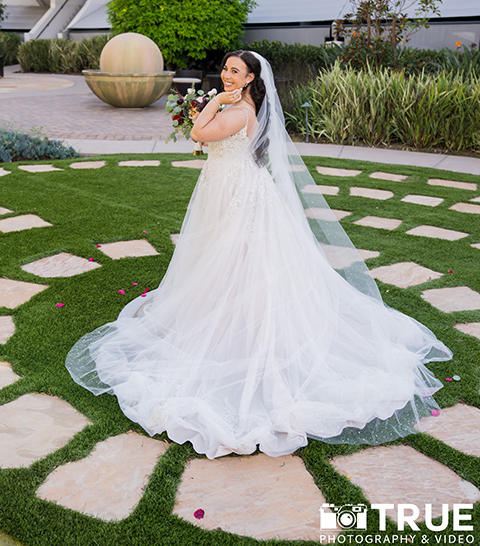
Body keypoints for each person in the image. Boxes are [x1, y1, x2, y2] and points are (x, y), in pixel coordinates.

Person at [66, 50, 452, 460]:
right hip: (225, 188)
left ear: (251, 78)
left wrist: (212, 101)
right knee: (217, 259)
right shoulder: (239, 104)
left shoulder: (240, 108)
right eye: (226, 69)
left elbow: (200, 134)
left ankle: (244, 332)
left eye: (235, 71)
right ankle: (212, 311)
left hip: (239, 195)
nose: (227, 75)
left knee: (243, 263)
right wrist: (216, 99)